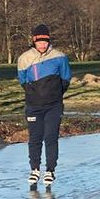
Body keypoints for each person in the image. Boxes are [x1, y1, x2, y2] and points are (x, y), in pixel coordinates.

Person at [17, 24, 72, 186]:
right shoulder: (24, 58)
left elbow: (66, 78)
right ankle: (35, 169)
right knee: (34, 138)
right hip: (33, 105)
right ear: (34, 41)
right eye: (39, 41)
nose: (42, 44)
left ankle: (50, 170)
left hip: (54, 105)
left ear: (49, 41)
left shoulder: (60, 57)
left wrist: (55, 94)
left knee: (50, 137)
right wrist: (35, 94)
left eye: (45, 41)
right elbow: (23, 81)